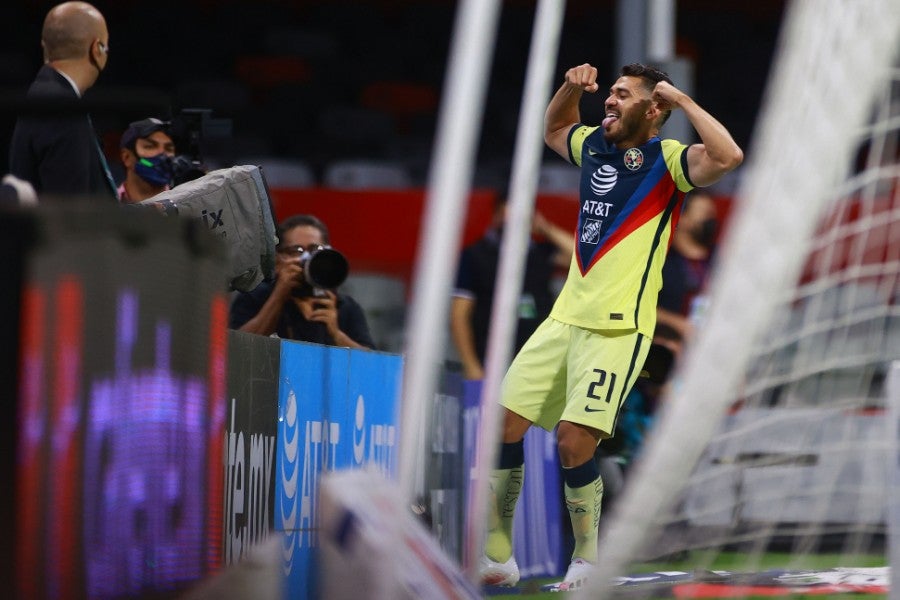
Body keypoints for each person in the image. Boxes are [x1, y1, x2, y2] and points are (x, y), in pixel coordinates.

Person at [479, 62, 742, 591]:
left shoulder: (669, 162)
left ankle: (588, 559)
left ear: (654, 108)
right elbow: (553, 129)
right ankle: (499, 556)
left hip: (619, 330)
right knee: (503, 427)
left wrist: (684, 100)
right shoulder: (594, 146)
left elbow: (729, 156)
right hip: (562, 319)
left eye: (623, 95)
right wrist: (569, 88)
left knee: (574, 443)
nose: (611, 102)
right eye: (611, 94)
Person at [450, 192, 572, 381]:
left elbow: (580, 257)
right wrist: (471, 365)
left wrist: (544, 227)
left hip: (538, 359)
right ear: (497, 215)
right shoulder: (475, 255)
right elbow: (459, 316)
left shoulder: (539, 252)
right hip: (491, 360)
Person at [8, 1, 116, 200]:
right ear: (97, 49)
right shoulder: (61, 107)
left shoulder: (45, 94)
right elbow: (70, 216)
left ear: (44, 46)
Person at [229, 214, 375, 350]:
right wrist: (278, 297)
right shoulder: (256, 296)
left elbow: (375, 366)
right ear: (278, 258)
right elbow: (235, 348)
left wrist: (336, 334)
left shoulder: (343, 306)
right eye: (296, 251)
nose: (306, 258)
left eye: (315, 250)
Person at [656, 190, 719, 339]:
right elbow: (641, 307)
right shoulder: (662, 261)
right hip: (669, 341)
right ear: (682, 219)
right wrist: (678, 324)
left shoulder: (720, 256)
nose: (712, 220)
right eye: (705, 214)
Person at [117, 118, 176, 204]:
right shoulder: (103, 207)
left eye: (169, 148)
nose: (162, 154)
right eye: (150, 146)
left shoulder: (187, 205)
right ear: (127, 157)